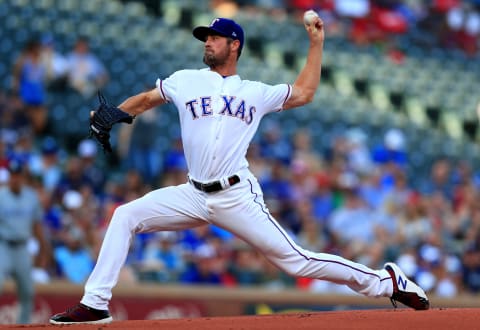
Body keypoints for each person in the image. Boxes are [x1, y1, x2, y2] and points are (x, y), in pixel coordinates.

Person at [50, 15, 429, 325]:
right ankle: (95, 302)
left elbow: (305, 93)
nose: (207, 42)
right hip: (193, 194)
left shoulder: (255, 91)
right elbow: (149, 98)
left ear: (235, 45)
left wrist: (316, 45)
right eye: (206, 37)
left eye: (215, 37)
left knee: (296, 260)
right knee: (125, 215)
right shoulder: (186, 79)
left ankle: (384, 281)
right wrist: (115, 114)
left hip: (235, 195)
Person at [0, 159, 47, 324]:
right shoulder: (1, 196)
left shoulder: (31, 197)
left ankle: (23, 325)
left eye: (18, 175)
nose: (15, 179)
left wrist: (43, 250)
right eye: (12, 175)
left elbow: (37, 226)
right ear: (9, 177)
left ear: (23, 177)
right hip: (3, 246)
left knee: (27, 291)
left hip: (22, 248)